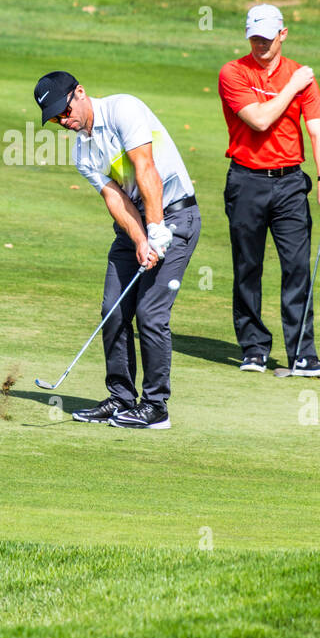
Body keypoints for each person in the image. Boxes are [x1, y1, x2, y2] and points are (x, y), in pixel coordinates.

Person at [33, 70, 200, 430]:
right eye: (57, 119)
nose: (65, 121)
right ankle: (121, 398)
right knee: (114, 308)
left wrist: (156, 231)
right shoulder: (82, 151)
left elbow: (146, 169)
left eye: (65, 111)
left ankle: (156, 407)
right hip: (135, 225)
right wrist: (140, 240)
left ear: (80, 92)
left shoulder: (124, 109)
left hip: (175, 216)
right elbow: (116, 198)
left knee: (150, 313)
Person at [217, 4, 320, 376]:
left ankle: (302, 354)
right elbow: (260, 119)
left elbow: (317, 131)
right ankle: (253, 348)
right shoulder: (233, 72)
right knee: (247, 267)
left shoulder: (301, 76)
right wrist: (292, 86)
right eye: (254, 38)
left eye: (267, 38)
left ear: (282, 34)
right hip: (246, 181)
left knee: (297, 267)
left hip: (289, 183)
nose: (260, 45)